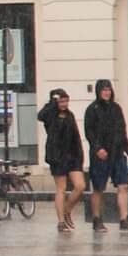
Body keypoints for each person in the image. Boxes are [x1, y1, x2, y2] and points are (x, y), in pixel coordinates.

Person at [84, 78, 128, 234]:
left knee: (123, 185)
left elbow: (122, 131)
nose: (107, 92)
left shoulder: (116, 108)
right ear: (98, 91)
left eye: (109, 89)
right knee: (99, 188)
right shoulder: (92, 109)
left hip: (117, 153)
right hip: (101, 155)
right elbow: (89, 132)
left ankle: (124, 219)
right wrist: (97, 148)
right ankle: (97, 219)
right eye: (104, 89)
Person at [37, 88, 85, 233]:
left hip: (72, 155)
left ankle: (66, 210)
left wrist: (80, 155)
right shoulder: (50, 115)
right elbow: (40, 116)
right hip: (57, 156)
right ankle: (61, 221)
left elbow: (75, 136)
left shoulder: (69, 115)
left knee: (80, 186)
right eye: (61, 101)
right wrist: (53, 102)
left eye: (66, 101)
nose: (64, 104)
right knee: (61, 188)